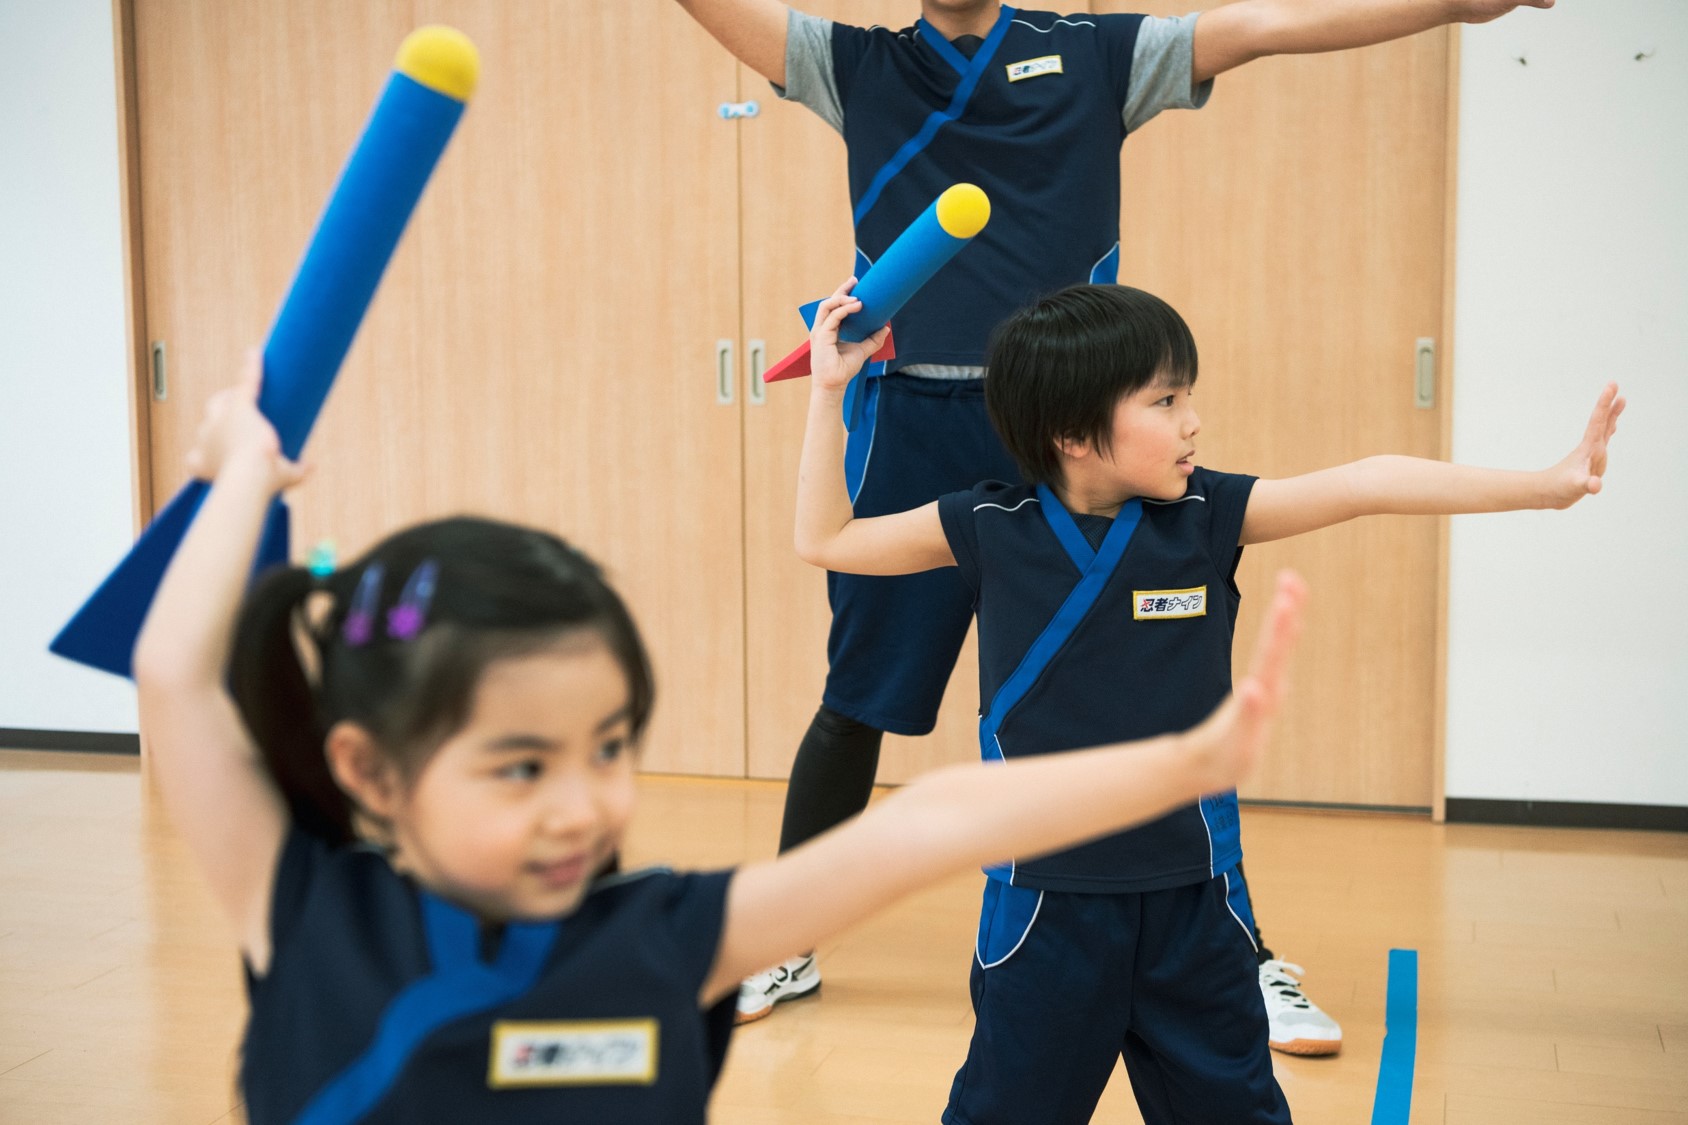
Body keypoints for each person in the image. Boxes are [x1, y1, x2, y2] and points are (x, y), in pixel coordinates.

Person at [131, 349, 1311, 1124]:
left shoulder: (667, 935)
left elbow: (941, 816)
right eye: (520, 766)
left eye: (608, 748)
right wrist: (244, 476)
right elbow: (172, 675)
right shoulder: (306, 918)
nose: (581, 803)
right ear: (368, 771)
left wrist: (1191, 764)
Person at [676, 0, 1552, 1041]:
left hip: (1071, 430)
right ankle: (781, 940)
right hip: (906, 417)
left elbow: (1269, 23)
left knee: (1146, 689)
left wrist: (1451, 5)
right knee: (859, 695)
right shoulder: (848, 63)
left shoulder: (1099, 51)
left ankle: (1239, 954)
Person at [794, 280, 1621, 1124]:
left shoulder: (1208, 514)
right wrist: (831, 391)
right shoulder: (988, 523)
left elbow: (1367, 480)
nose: (1193, 419)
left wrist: (1544, 485)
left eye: (1188, 394)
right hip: (1043, 906)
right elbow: (825, 539)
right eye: (1164, 399)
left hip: (1198, 903)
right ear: (1073, 434)